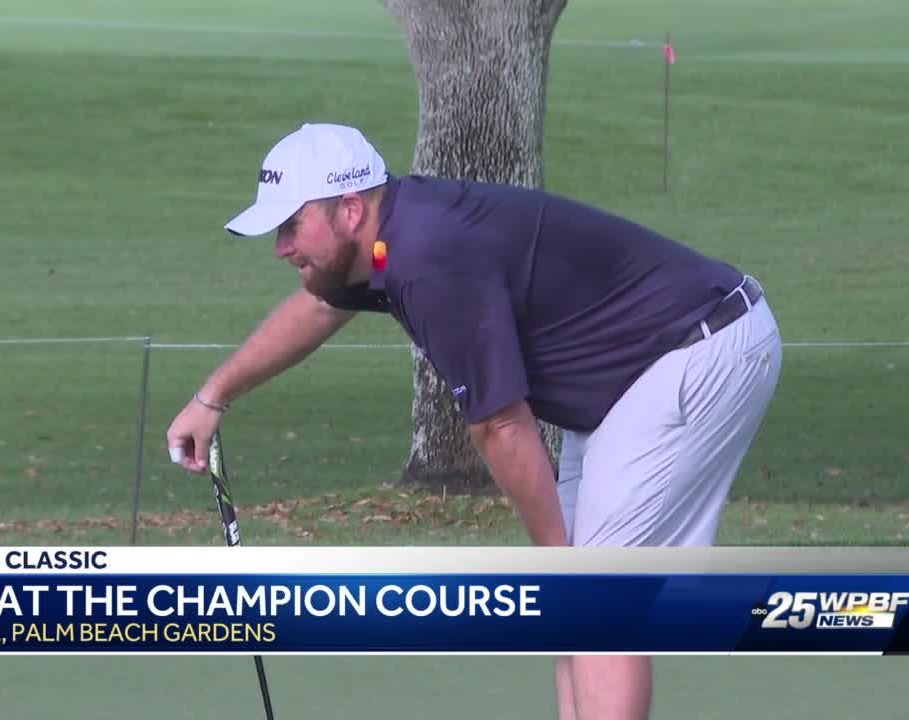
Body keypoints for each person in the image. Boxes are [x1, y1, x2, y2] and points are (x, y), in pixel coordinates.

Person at [166, 122, 783, 720]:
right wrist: (213, 396)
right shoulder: (386, 241)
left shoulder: (430, 257)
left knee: (596, 601)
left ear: (350, 210)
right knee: (575, 608)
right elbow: (318, 309)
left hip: (695, 350)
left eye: (291, 225)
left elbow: (501, 426)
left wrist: (555, 566)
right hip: (627, 383)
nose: (281, 247)